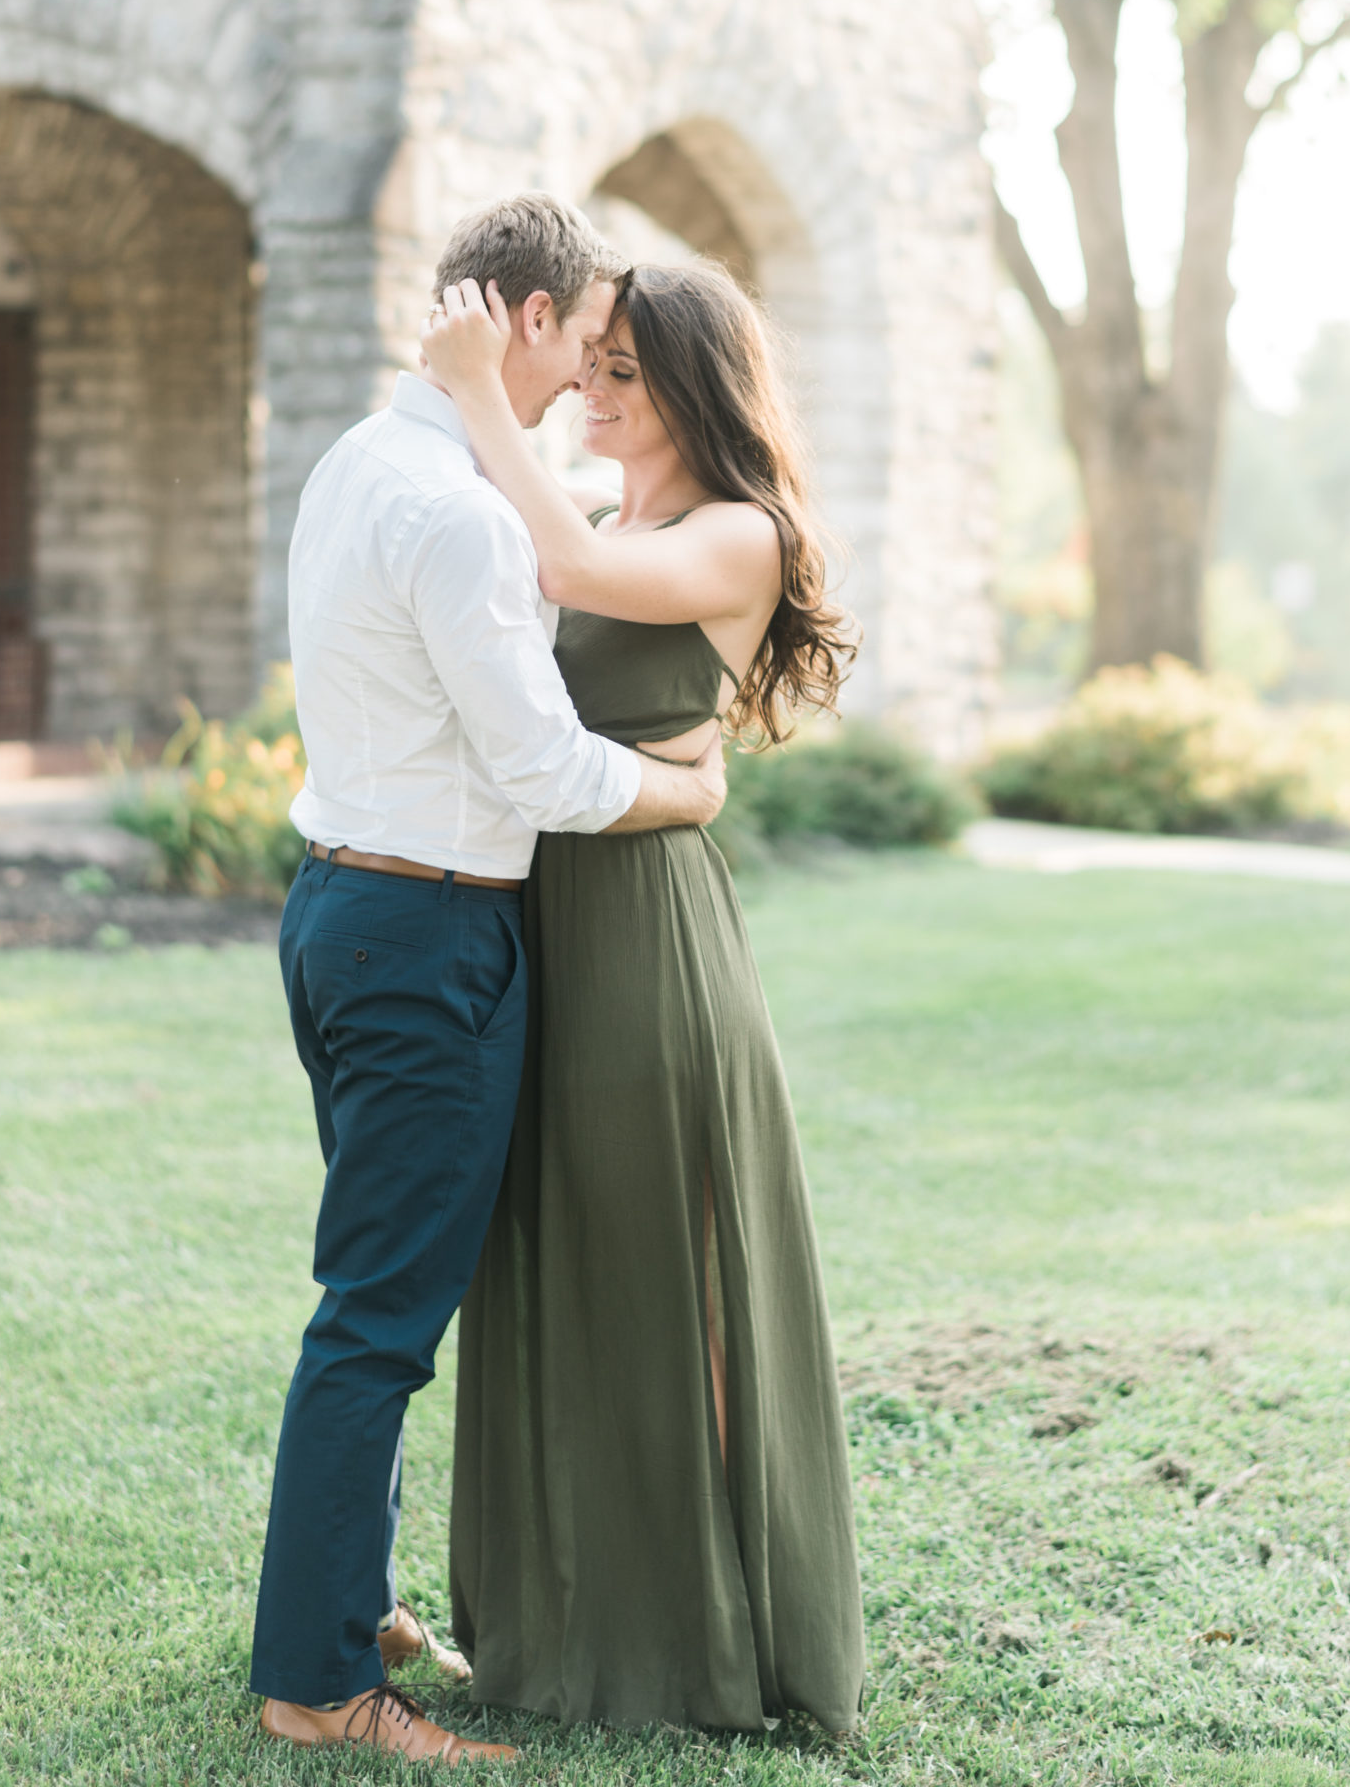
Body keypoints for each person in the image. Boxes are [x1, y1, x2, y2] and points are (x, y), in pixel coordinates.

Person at [252, 196, 728, 1769]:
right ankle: (320, 1687)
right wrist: (684, 790)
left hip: (334, 912)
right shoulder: (454, 512)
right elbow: (539, 769)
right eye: (587, 345)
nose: (592, 379)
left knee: (374, 1292)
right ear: (527, 320)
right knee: (379, 1318)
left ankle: (355, 1605)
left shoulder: (359, 463)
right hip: (426, 938)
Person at [420, 256, 867, 1738]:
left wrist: (483, 391)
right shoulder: (613, 512)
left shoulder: (737, 535)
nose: (594, 391)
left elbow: (571, 584)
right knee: (556, 1260)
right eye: (591, 366)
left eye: (620, 368)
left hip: (647, 944)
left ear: (692, 383)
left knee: (669, 1272)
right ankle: (559, 1616)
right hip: (537, 921)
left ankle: (713, 1640)